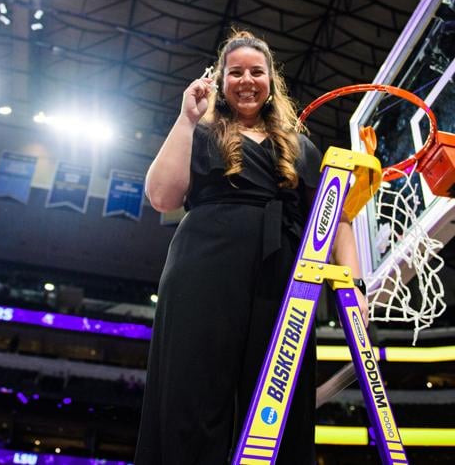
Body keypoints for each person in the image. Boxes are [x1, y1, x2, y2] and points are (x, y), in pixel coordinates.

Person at [136, 29, 368, 465]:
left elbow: (338, 219)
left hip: (284, 280)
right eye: (235, 72)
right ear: (220, 82)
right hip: (202, 271)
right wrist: (186, 118)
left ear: (270, 81)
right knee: (192, 393)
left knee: (280, 407)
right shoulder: (200, 134)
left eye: (256, 72)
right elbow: (161, 197)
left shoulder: (302, 147)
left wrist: (353, 286)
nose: (246, 80)